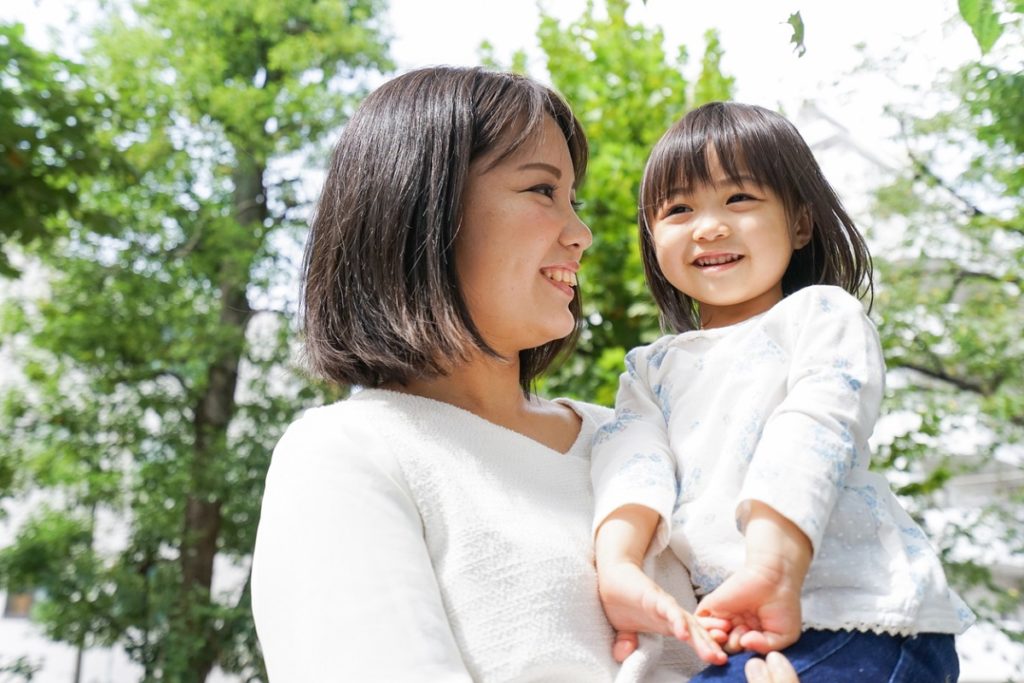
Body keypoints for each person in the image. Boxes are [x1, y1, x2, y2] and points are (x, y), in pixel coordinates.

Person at [251, 68, 802, 682]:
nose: (582, 235)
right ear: (422, 210)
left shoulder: (631, 438)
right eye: (543, 191)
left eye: (575, 201)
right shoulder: (349, 454)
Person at [591, 102, 976, 681]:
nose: (709, 225)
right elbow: (632, 464)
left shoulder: (822, 316)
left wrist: (774, 564)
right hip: (749, 628)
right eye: (678, 208)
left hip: (858, 615)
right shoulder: (651, 369)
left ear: (799, 223)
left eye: (739, 199)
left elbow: (816, 425)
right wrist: (618, 564)